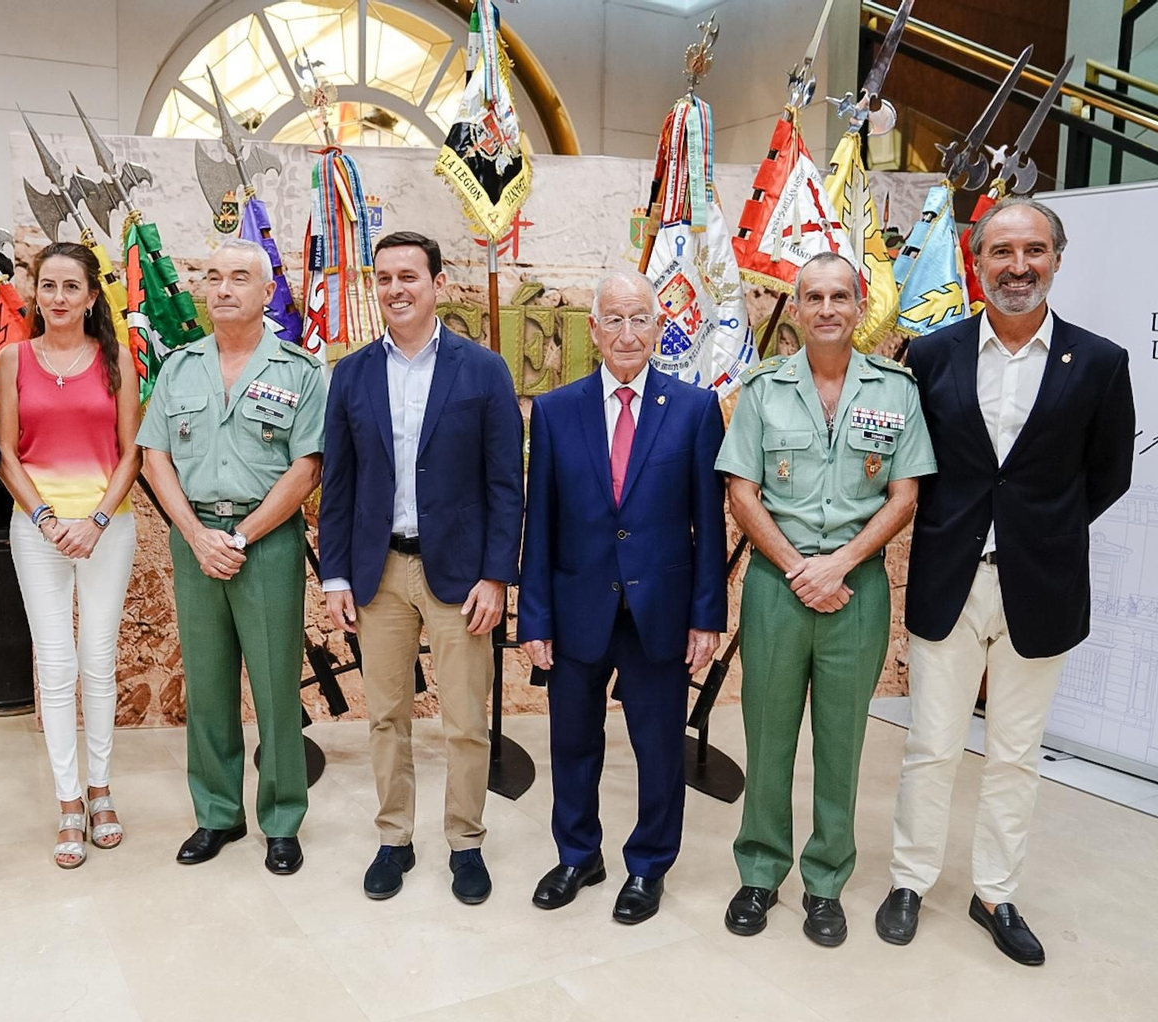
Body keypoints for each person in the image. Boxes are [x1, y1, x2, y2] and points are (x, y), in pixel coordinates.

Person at [876, 197, 1134, 965]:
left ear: (1056, 259)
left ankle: (995, 894)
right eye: (1002, 252)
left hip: (1042, 585)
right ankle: (910, 880)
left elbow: (1109, 474)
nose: (1018, 267)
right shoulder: (932, 355)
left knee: (1017, 753)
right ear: (977, 261)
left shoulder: (1100, 362)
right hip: (948, 580)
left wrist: (1038, 532)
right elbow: (913, 463)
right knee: (931, 745)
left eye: (1034, 251)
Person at [717, 252, 935, 948]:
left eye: (840, 296)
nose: (827, 309)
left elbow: (905, 495)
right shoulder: (764, 388)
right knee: (767, 735)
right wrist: (797, 568)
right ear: (798, 306)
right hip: (777, 590)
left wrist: (838, 564)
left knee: (842, 744)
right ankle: (760, 871)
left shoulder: (896, 390)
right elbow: (742, 492)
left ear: (859, 305)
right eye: (813, 297)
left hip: (857, 586)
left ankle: (825, 882)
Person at [318, 231, 524, 905]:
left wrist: (496, 575)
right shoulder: (351, 373)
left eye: (408, 276)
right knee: (386, 716)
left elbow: (505, 484)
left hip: (461, 577)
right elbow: (339, 483)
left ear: (437, 283)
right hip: (378, 573)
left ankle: (465, 841)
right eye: (383, 278)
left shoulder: (482, 370)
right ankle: (394, 838)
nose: (395, 289)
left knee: (464, 719)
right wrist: (336, 575)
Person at [518, 269, 725, 925]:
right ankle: (579, 855)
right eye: (615, 319)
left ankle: (648, 865)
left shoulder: (694, 410)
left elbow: (709, 524)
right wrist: (535, 617)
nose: (628, 333)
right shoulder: (556, 411)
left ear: (658, 329)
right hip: (577, 608)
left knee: (658, 748)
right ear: (595, 329)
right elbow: (539, 522)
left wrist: (706, 617)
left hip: (659, 614)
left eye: (640, 319)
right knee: (572, 743)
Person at [137, 238, 325, 876]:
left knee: (275, 687)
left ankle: (282, 819)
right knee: (208, 687)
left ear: (267, 292)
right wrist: (195, 534)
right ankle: (217, 813)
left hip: (265, 543)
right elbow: (155, 457)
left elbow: (308, 467)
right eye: (212, 276)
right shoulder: (178, 367)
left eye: (239, 277)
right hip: (195, 540)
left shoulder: (299, 370)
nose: (221, 288)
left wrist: (241, 536)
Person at [0, 242, 140, 869]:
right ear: (35, 293)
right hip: (38, 529)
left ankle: (101, 790)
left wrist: (97, 519)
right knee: (55, 667)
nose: (57, 297)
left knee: (98, 663)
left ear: (90, 296)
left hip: (107, 528)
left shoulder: (117, 360)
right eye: (47, 285)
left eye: (70, 286)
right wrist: (48, 519)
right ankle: (69, 802)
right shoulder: (13, 358)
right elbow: (5, 452)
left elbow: (132, 452)